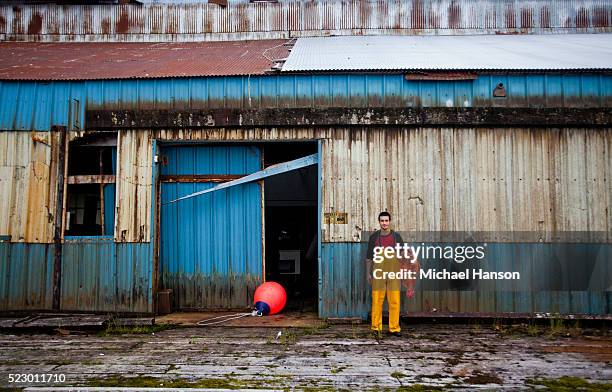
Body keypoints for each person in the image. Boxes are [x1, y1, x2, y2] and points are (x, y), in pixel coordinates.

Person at [366, 211, 418, 337]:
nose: (384, 223)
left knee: (394, 301)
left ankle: (394, 328)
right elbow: (369, 258)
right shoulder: (373, 238)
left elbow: (404, 257)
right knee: (377, 300)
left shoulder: (397, 237)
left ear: (390, 221)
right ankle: (375, 328)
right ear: (379, 222)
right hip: (378, 272)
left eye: (386, 220)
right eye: (382, 221)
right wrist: (368, 274)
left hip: (394, 272)